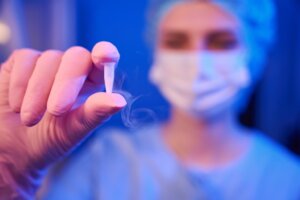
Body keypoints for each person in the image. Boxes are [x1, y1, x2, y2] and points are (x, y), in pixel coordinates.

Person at [0, 0, 300, 199]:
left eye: (221, 41)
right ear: (157, 52)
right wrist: (11, 181)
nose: (197, 60)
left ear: (253, 54)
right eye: (176, 42)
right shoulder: (104, 161)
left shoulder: (288, 180)